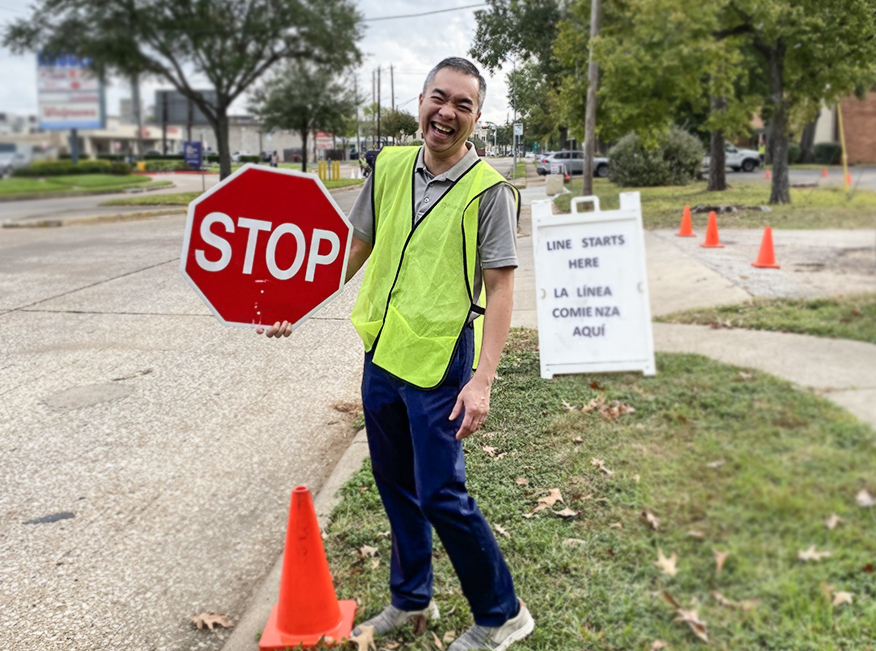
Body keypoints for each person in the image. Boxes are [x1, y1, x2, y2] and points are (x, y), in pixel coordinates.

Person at [258, 57, 534, 651]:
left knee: (441, 492)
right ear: (421, 100)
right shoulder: (387, 166)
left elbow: (502, 286)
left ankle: (502, 612)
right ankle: (412, 599)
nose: (447, 112)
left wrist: (483, 380)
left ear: (476, 118)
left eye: (463, 104)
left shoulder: (488, 192)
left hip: (439, 363)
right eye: (440, 97)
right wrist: (298, 303)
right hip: (381, 353)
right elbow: (355, 246)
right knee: (394, 482)